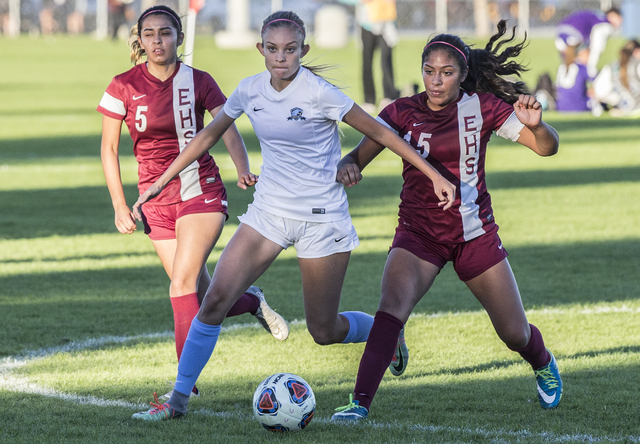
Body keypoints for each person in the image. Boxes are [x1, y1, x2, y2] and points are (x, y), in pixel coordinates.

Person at [129, 10, 456, 421]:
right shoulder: (250, 90)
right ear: (260, 50)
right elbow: (208, 135)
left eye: (289, 49)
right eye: (272, 49)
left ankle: (384, 331)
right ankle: (176, 401)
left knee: (324, 330)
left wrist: (432, 174)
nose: (280, 57)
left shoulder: (319, 92)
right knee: (212, 301)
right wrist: (161, 181)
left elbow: (382, 133)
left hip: (322, 219)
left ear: (304, 50)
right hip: (268, 213)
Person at [331, 20, 562, 422]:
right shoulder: (400, 112)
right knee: (390, 309)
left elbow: (547, 149)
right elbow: (356, 157)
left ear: (463, 74)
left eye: (447, 72)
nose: (436, 81)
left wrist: (537, 126)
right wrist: (349, 167)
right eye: (429, 71)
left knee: (514, 334)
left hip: (475, 234)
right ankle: (359, 404)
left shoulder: (484, 107)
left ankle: (542, 360)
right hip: (419, 234)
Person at [98, 5, 289, 401]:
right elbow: (109, 148)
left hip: (200, 190)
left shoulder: (197, 80)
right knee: (200, 298)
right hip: (154, 200)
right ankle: (251, 301)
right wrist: (120, 204)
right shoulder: (121, 85)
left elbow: (226, 126)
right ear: (139, 39)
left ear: (179, 37)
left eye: (165, 33)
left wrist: (242, 168)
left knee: (180, 285)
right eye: (149, 34)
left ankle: (182, 388)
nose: (157, 40)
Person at [339, 0, 400, 113]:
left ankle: (389, 97)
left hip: (387, 23)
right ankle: (369, 100)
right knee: (367, 63)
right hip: (367, 24)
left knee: (386, 62)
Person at [555, 7, 622, 78]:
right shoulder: (605, 23)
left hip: (560, 32)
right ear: (611, 15)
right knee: (583, 58)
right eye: (619, 18)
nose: (620, 21)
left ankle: (565, 77)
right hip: (574, 33)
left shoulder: (596, 15)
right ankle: (587, 73)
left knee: (571, 62)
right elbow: (597, 45)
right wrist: (591, 67)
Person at [593, 39, 640, 117]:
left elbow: (599, 92)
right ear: (637, 51)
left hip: (624, 113)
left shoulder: (611, 67)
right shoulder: (637, 65)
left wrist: (616, 100)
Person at [555, 43, 596, 113]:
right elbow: (598, 82)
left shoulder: (562, 67)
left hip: (561, 107)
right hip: (579, 107)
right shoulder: (582, 68)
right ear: (580, 54)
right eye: (587, 53)